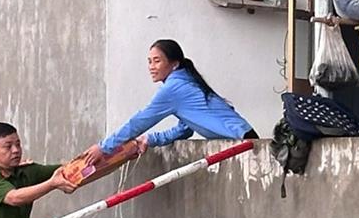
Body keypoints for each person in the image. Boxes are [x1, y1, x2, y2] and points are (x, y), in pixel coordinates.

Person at [83, 39, 258, 167]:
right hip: (245, 138)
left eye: (157, 61)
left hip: (244, 142)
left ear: (174, 64)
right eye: (149, 61)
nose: (151, 67)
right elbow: (185, 129)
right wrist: (151, 139)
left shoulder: (173, 88)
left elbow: (139, 121)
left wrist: (104, 148)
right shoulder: (185, 82)